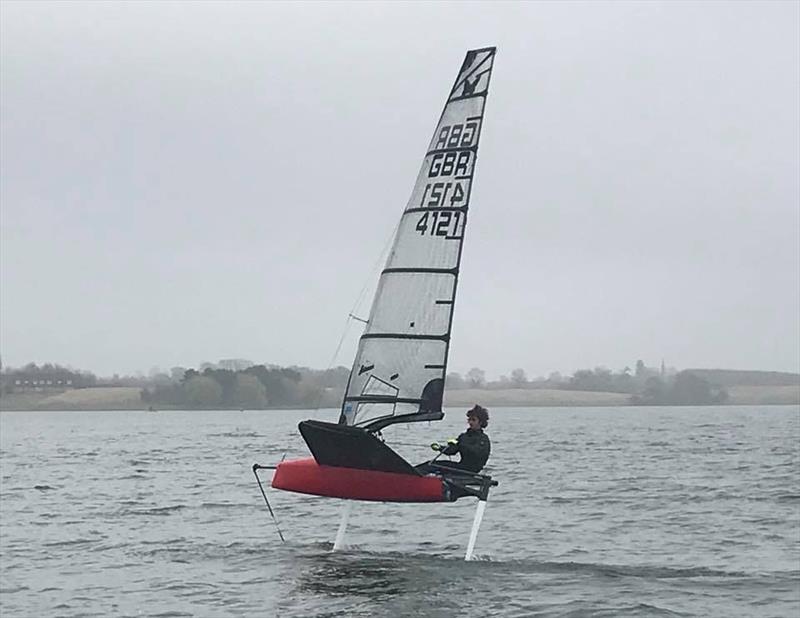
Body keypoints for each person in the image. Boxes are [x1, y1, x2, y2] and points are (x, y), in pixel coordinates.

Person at [430, 405, 491, 473]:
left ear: (480, 422)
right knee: (432, 464)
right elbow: (452, 451)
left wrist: (461, 444)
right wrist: (440, 447)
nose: (470, 422)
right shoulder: (463, 436)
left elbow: (476, 453)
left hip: (472, 471)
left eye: (473, 420)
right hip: (461, 467)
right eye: (469, 419)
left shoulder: (483, 439)